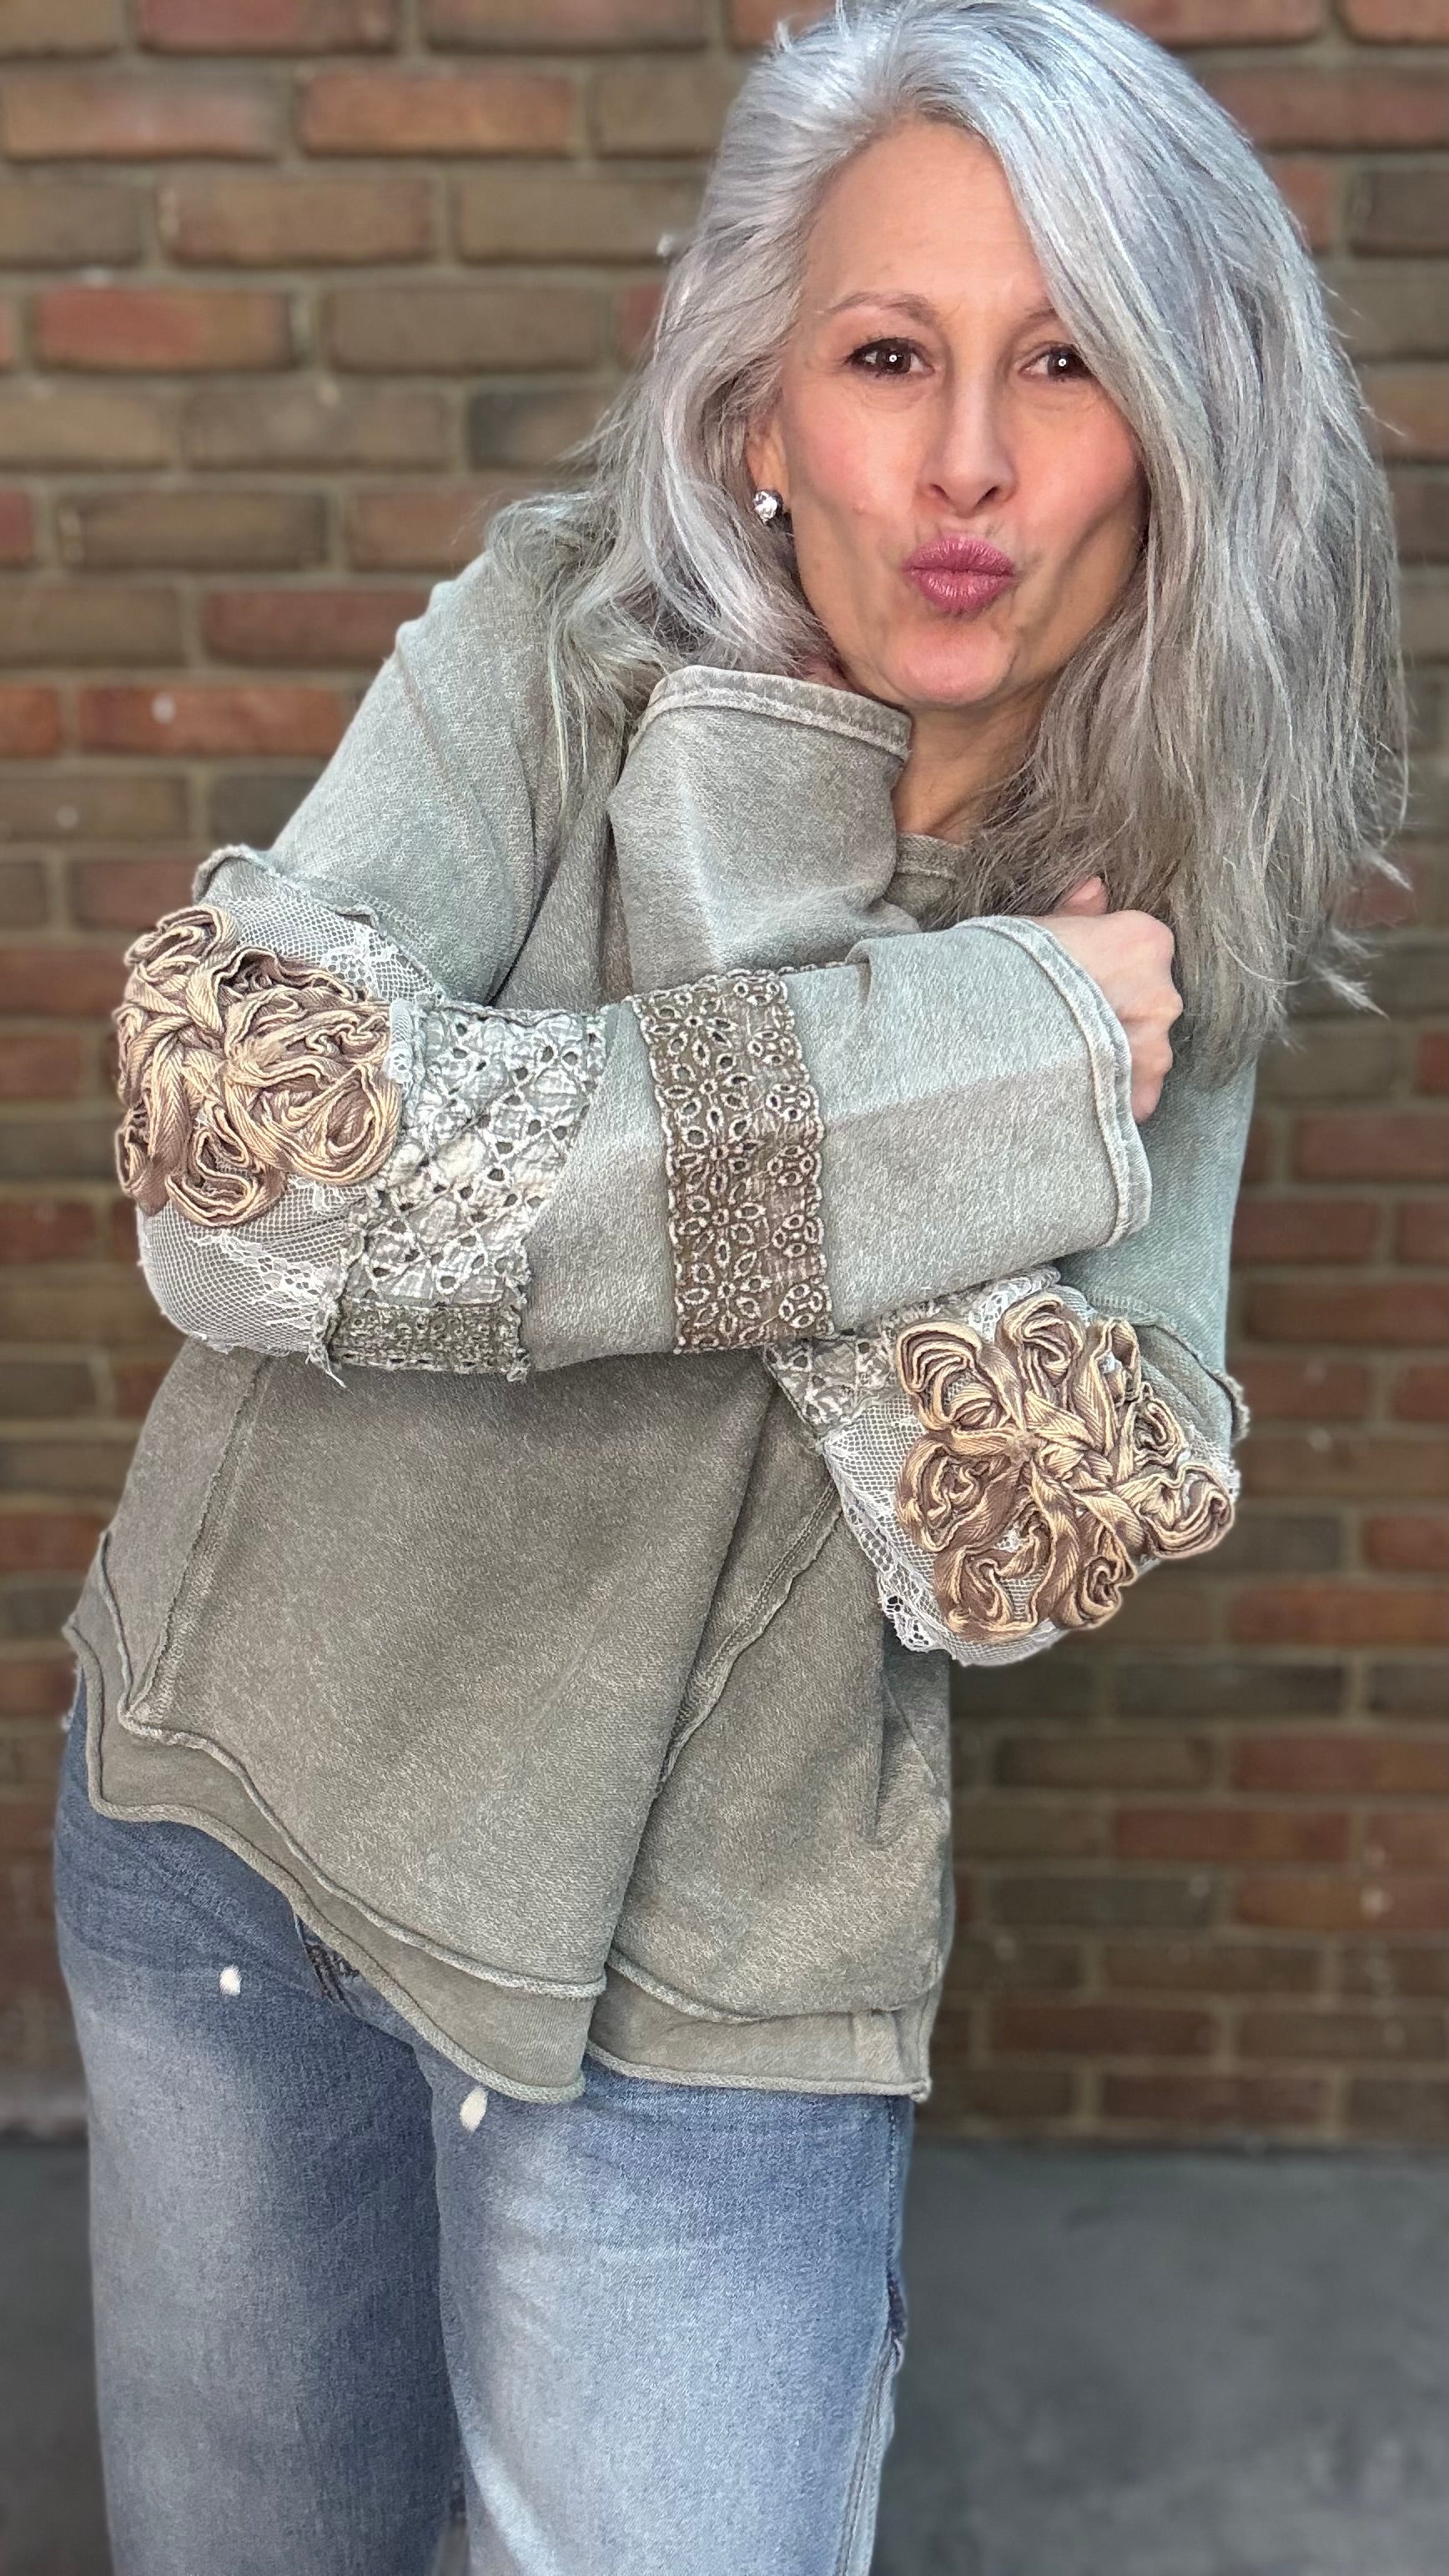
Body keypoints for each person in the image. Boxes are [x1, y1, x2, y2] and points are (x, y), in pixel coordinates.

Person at [52, 0, 1405, 2568]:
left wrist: (612, 1095)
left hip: (725, 1970)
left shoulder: (1162, 875)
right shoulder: (564, 649)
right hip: (246, 1806)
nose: (974, 464)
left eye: (1070, 363)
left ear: (1184, 430)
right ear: (759, 411)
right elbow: (235, 1173)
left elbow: (1017, 1531)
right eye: (890, 356)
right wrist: (951, 1068)